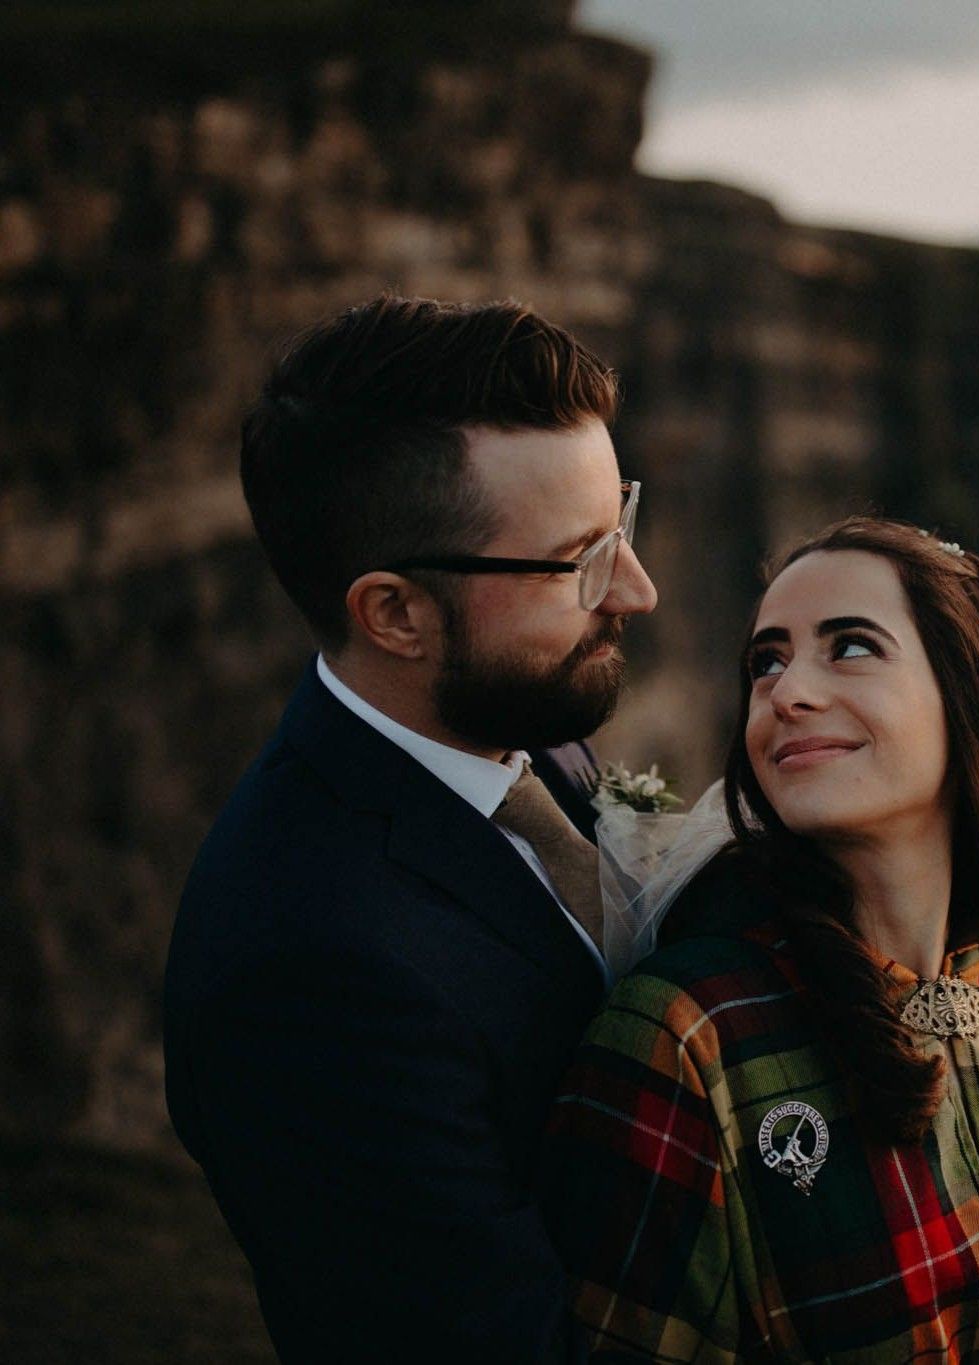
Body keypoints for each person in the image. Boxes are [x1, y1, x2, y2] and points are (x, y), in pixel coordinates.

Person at [163, 294, 657, 1362]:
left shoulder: (525, 727)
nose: (638, 590)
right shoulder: (307, 969)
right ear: (393, 613)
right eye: (582, 560)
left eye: (622, 524)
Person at [543, 517, 979, 1362]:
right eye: (766, 661)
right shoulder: (687, 1035)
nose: (786, 692)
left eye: (850, 646)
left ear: (971, 691)